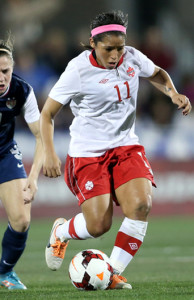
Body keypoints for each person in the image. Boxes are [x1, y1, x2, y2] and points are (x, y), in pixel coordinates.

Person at [40, 11, 192, 289]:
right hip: (88, 153)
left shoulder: (132, 56)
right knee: (98, 226)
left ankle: (112, 272)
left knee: (141, 205)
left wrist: (172, 92)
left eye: (119, 48)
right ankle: (61, 232)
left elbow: (157, 73)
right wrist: (49, 153)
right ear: (93, 44)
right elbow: (47, 113)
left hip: (126, 147)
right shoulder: (77, 70)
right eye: (108, 48)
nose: (115, 55)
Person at [0, 34, 43, 289]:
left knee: (22, 220)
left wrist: (33, 177)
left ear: (12, 69)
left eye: (5, 70)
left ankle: (4, 272)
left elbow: (41, 137)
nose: (1, 77)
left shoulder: (22, 90)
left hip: (4, 152)